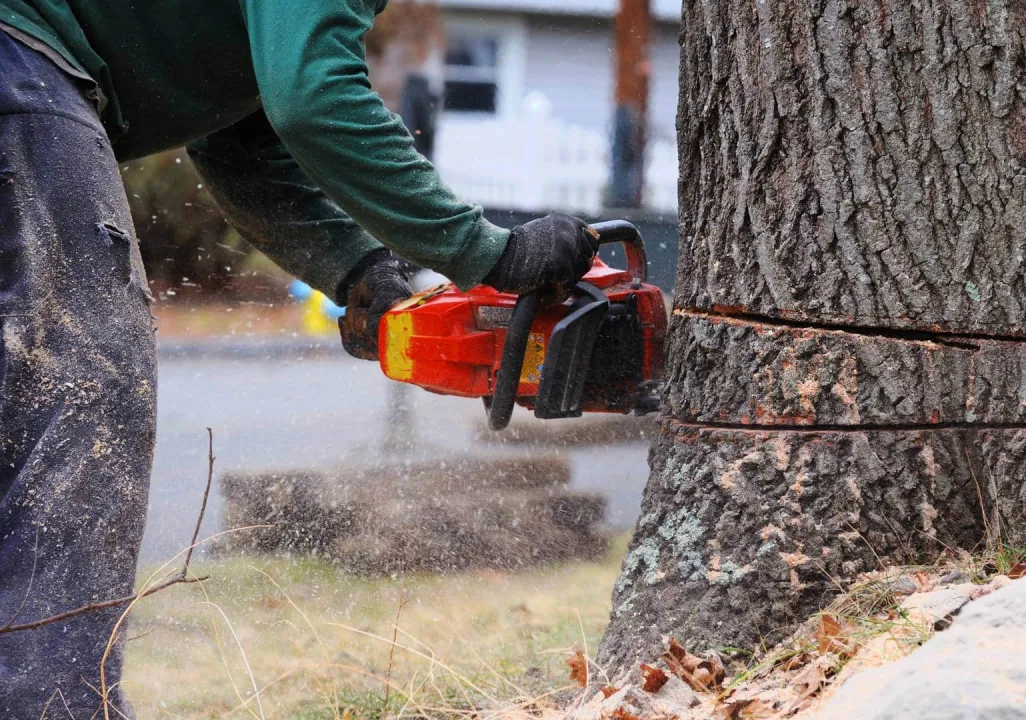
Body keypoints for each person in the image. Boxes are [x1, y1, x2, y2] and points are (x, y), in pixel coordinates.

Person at [0, 0, 599, 715]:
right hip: (20, 56)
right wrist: (488, 254)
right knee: (88, 386)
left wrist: (355, 267)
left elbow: (239, 137)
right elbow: (313, 98)